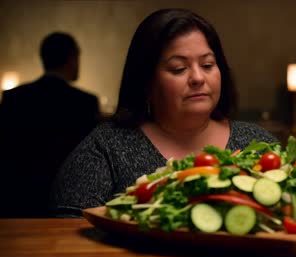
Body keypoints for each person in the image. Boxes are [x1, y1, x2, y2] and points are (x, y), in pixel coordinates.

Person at [50, 9, 278, 217]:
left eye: (208, 65)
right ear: (146, 82)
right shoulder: (106, 148)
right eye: (179, 68)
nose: (198, 78)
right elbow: (69, 229)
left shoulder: (256, 143)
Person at [0, 32, 99, 217]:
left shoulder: (13, 98)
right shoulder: (85, 103)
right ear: (72, 58)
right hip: (68, 203)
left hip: (17, 200)